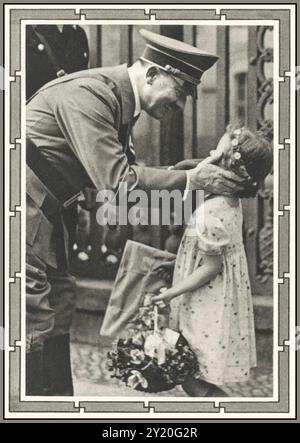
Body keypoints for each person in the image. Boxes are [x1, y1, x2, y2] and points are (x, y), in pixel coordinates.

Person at [26, 28, 247, 395]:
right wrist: (192, 178)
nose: (180, 106)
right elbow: (119, 184)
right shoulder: (90, 96)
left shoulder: (119, 100)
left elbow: (132, 182)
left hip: (47, 216)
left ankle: (56, 405)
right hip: (23, 212)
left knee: (59, 308)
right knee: (33, 317)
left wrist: (191, 172)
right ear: (151, 74)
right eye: (179, 92)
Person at [152, 125, 273, 397]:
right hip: (215, 297)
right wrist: (177, 265)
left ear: (225, 168)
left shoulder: (208, 212)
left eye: (215, 153)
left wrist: (171, 292)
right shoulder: (228, 202)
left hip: (205, 302)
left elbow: (211, 266)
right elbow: (214, 255)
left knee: (191, 376)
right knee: (190, 373)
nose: (208, 155)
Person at [26, 24, 89, 99]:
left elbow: (83, 70)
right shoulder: (29, 31)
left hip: (72, 101)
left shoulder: (78, 32)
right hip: (42, 102)